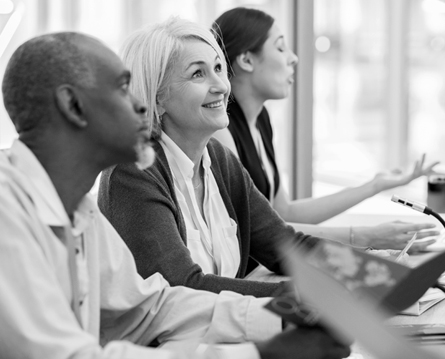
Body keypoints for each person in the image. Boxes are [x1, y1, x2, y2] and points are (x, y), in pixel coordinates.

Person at [0, 32, 351, 359]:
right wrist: (262, 353)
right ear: (73, 106)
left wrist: (283, 314)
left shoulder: (79, 210)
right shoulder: (7, 212)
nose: (138, 105)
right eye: (123, 89)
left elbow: (148, 308)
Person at [98, 17, 330, 298]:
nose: (221, 85)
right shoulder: (132, 171)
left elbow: (283, 245)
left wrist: (368, 270)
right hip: (169, 342)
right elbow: (182, 287)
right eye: (198, 74)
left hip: (223, 336)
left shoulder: (218, 158)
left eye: (218, 68)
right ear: (157, 97)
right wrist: (304, 295)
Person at [212, 7, 439, 251]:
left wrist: (374, 186)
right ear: (246, 60)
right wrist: (365, 237)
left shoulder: (260, 120)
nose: (293, 58)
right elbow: (259, 231)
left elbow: (283, 212)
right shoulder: (220, 132)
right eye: (280, 47)